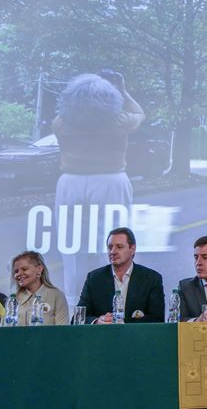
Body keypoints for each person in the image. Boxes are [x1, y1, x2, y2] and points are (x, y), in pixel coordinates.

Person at [53, 71, 145, 303]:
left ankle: (74, 300)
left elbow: (64, 112)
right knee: (115, 243)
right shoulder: (118, 122)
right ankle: (110, 298)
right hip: (110, 180)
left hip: (70, 181)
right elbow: (139, 113)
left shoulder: (61, 123)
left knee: (71, 244)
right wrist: (122, 91)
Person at [77, 227, 164, 324]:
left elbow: (157, 319)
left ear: (132, 249)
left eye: (119, 247)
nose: (113, 252)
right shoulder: (94, 278)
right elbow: (78, 317)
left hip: (137, 338)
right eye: (110, 247)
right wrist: (97, 321)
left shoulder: (151, 278)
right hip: (103, 337)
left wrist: (121, 322)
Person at [11, 251, 69, 326]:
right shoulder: (13, 299)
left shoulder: (56, 295)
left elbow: (63, 330)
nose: (18, 274)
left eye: (24, 269)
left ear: (39, 269)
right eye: (16, 271)